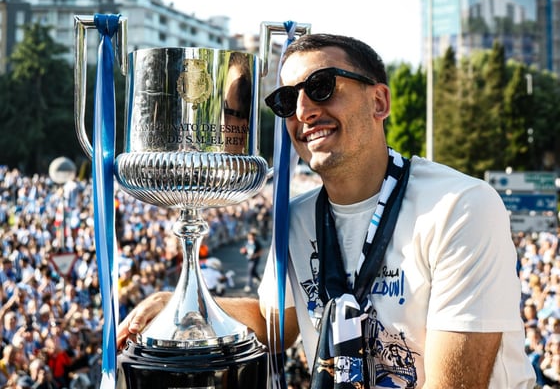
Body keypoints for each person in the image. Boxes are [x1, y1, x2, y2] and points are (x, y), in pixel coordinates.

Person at [117, 33, 536, 388]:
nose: (303, 111)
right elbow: (275, 323)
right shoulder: (297, 219)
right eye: (286, 100)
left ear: (379, 101)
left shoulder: (460, 206)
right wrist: (186, 303)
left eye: (322, 87)